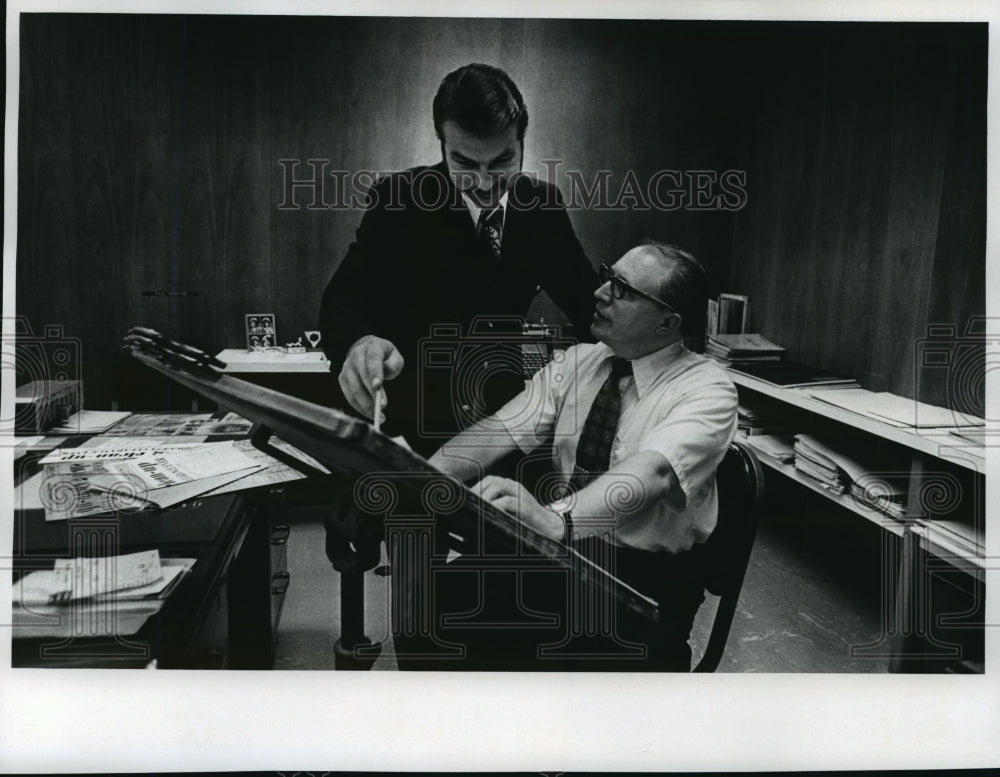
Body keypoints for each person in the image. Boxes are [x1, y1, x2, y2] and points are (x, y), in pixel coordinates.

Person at [428, 241, 739, 670]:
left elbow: (655, 472)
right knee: (439, 600)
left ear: (668, 321)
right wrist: (423, 476)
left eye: (623, 289)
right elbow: (500, 430)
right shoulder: (581, 361)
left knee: (516, 653)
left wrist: (559, 521)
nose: (600, 293)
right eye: (608, 276)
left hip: (643, 586)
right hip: (565, 558)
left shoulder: (707, 389)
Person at [319, 63, 598, 457]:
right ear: (441, 144)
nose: (485, 183)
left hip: (496, 428)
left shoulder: (542, 207)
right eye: (465, 163)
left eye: (502, 161)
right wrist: (357, 343)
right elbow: (341, 301)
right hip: (405, 425)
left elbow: (589, 308)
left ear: (523, 144)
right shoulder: (399, 199)